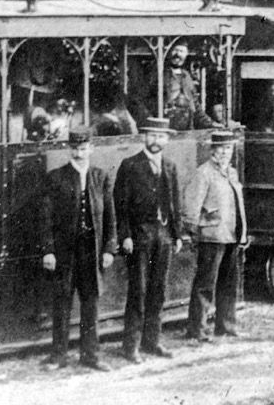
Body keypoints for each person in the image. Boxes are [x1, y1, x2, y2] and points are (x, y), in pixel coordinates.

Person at [41, 126, 117, 371]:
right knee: (62, 303)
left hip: (91, 251)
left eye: (83, 148)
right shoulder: (55, 177)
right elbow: (46, 218)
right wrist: (48, 250)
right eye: (75, 148)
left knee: (91, 303)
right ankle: (58, 356)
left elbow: (110, 218)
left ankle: (91, 356)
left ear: (91, 148)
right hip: (65, 252)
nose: (79, 153)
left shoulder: (100, 177)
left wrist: (108, 249)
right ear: (69, 149)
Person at [114, 117, 183, 364]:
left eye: (161, 136)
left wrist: (177, 235)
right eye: (152, 135)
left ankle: (152, 341)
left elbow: (175, 203)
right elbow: (119, 207)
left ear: (167, 139)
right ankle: (130, 346)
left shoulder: (170, 167)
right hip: (140, 236)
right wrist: (125, 236)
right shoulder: (130, 165)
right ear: (144, 137)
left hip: (163, 235)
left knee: (159, 290)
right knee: (138, 290)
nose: (156, 140)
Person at [183, 131, 249, 342]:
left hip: (231, 235)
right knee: (205, 285)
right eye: (220, 148)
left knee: (229, 284)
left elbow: (237, 206)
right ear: (212, 150)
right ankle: (197, 330)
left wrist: (243, 232)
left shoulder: (231, 173)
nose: (224, 153)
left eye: (228, 148)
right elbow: (191, 206)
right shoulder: (203, 173)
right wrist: (193, 232)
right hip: (211, 236)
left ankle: (226, 326)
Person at [163, 42, 222, 131]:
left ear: (186, 54)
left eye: (181, 51)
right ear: (170, 52)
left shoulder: (186, 76)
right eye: (175, 50)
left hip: (187, 126)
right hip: (167, 124)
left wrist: (211, 123)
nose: (177, 54)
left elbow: (195, 105)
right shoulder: (161, 74)